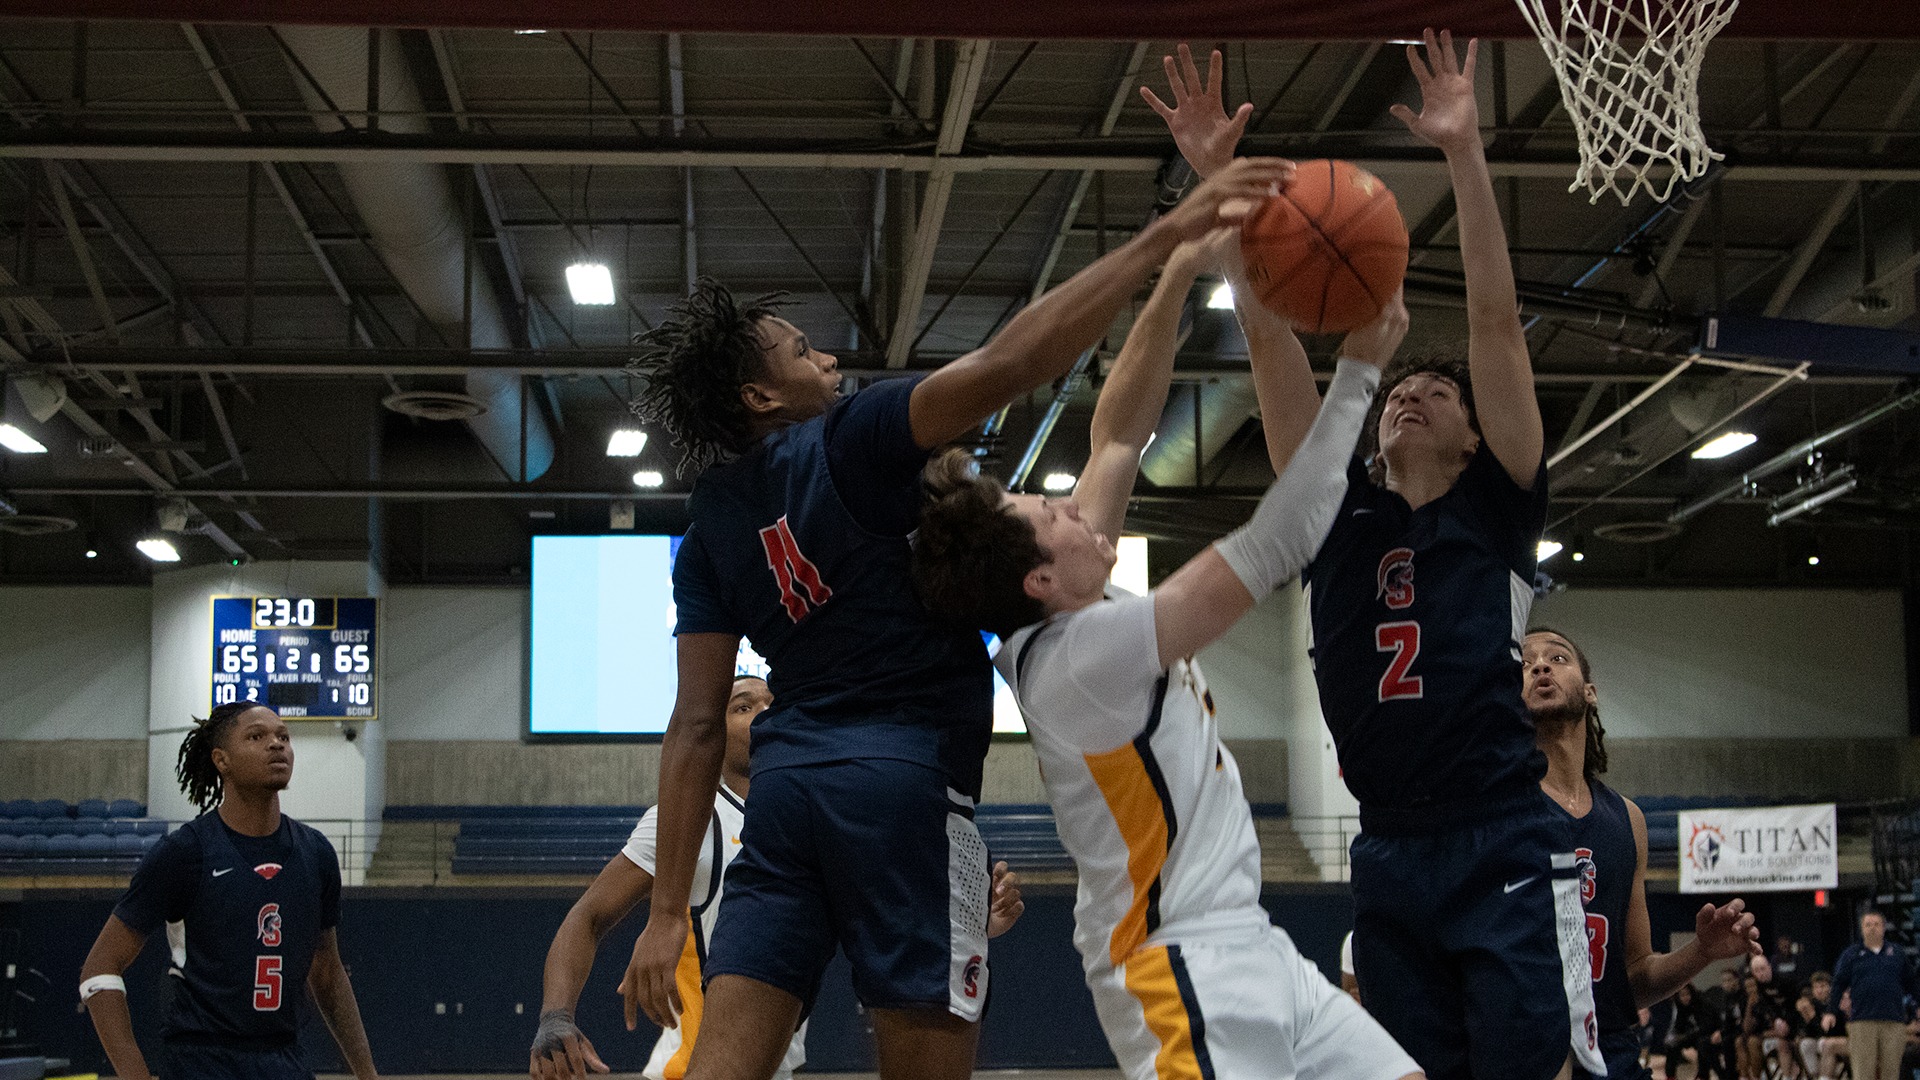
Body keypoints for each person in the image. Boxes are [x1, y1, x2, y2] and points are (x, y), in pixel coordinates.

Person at [622, 153, 1294, 1080]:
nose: (830, 356)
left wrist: (666, 913)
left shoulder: (709, 533)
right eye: (801, 349)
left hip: (788, 794)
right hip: (907, 787)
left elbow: (697, 723)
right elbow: (1017, 364)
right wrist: (1167, 239)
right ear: (761, 398)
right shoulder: (857, 448)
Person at [1145, 33, 1585, 1080]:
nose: (1410, 391)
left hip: (1496, 835)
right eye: (1400, 386)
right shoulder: (1333, 515)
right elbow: (1268, 345)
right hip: (1385, 846)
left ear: (1477, 437)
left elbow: (1493, 324)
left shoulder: (1497, 506)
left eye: (1438, 393)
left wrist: (1466, 153)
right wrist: (1223, 191)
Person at [912, 216, 1419, 1080]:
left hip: (1252, 946)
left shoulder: (1070, 607)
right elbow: (1280, 539)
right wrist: (1361, 368)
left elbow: (1117, 436)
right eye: (1052, 513)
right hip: (1175, 967)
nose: (1073, 506)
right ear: (1038, 579)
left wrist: (1182, 268)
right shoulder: (1078, 660)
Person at [529, 676, 1026, 1080]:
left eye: (773, 701)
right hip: (690, 1068)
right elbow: (588, 916)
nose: (764, 712)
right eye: (743, 706)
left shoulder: (818, 822)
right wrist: (556, 1016)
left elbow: (878, 930)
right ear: (713, 735)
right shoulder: (683, 820)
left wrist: (971, 925)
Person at [76, 703, 378, 1080]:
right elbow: (100, 966)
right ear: (222, 760)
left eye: (283, 736)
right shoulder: (185, 853)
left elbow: (329, 973)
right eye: (257, 736)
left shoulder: (315, 853)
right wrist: (134, 1073)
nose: (276, 745)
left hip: (284, 1059)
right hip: (203, 1061)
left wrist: (367, 1073)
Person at [1523, 627, 1763, 1080]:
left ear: (1589, 692)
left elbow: (1633, 977)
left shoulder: (1627, 820)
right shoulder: (1500, 808)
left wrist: (1702, 952)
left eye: (1557, 657)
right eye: (1525, 662)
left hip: (1612, 1051)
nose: (1539, 666)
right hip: (1527, 1050)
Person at [1832, 910, 1920, 1080]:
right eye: (1868, 925)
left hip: (1893, 1020)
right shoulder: (1851, 954)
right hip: (1862, 1021)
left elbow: (1911, 982)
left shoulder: (1897, 953)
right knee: (1863, 1071)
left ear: (1884, 928)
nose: (1872, 928)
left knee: (1892, 1071)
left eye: (1876, 924)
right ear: (1862, 929)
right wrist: (1830, 1011)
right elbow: (1838, 983)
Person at [1800, 971, 1849, 1080]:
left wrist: (1813, 1017)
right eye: (1816, 987)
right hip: (1821, 1040)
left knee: (1824, 1043)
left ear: (1830, 987)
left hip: (1838, 1039)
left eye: (1822, 986)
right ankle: (1814, 1076)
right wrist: (1807, 1018)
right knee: (1805, 1044)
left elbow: (1832, 1031)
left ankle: (1826, 1076)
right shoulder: (1813, 1004)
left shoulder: (1837, 1003)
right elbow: (1810, 1033)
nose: (1819, 990)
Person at [1657, 983, 1702, 1080]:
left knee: (1702, 1044)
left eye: (1687, 994)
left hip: (1701, 1035)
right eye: (1682, 995)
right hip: (1688, 1037)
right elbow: (1678, 1028)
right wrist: (1672, 1038)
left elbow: (1705, 1027)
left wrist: (1684, 1036)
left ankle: (1702, 1075)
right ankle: (1670, 1076)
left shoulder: (1700, 1005)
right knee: (1672, 1045)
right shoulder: (1679, 1008)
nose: (1686, 998)